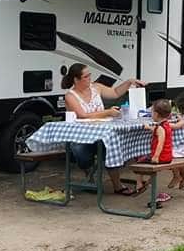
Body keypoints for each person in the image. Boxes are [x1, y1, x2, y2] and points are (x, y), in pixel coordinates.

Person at [62, 63, 145, 195]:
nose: (90, 78)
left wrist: (129, 82)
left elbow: (115, 93)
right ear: (76, 80)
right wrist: (107, 112)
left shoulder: (96, 87)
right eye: (86, 77)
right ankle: (90, 176)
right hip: (83, 136)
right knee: (81, 153)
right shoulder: (70, 96)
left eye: (89, 75)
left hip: (102, 133)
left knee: (110, 146)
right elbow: (82, 115)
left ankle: (117, 185)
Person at [135, 99, 174, 193]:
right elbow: (158, 131)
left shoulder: (160, 127)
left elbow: (161, 143)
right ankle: (149, 181)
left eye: (151, 112)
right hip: (167, 156)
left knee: (139, 160)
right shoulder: (166, 125)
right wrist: (149, 127)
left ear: (156, 114)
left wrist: (156, 156)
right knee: (143, 158)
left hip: (161, 157)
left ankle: (139, 183)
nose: (151, 114)